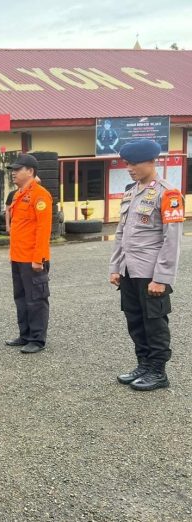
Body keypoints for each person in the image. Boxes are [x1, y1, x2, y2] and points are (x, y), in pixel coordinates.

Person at [109, 139, 184, 391]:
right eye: (127, 163)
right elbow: (121, 233)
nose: (129, 167)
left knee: (154, 322)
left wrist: (162, 278)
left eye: (135, 163)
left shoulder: (168, 193)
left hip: (151, 272)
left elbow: (171, 239)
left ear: (152, 161)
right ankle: (143, 364)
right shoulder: (131, 191)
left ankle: (158, 372)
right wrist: (116, 267)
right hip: (130, 270)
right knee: (135, 320)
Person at [4, 154, 53, 353]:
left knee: (36, 299)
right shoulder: (18, 195)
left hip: (33, 259)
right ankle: (25, 334)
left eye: (18, 169)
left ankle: (37, 339)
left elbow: (43, 229)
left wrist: (38, 258)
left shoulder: (40, 195)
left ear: (30, 171)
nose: (13, 173)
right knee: (21, 298)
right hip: (18, 256)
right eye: (13, 170)